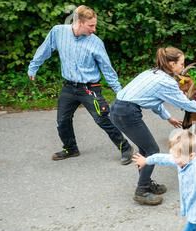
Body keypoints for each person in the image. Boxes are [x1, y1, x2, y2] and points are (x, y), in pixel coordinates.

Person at [110, 46, 196, 205]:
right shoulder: (167, 82)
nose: (183, 67)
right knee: (152, 150)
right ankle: (142, 190)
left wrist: (168, 117)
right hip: (126, 113)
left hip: (120, 108)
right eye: (181, 64)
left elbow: (152, 100)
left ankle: (145, 182)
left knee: (145, 149)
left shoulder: (152, 72)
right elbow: (185, 104)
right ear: (171, 64)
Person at [28, 5, 133, 164]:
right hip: (69, 87)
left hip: (90, 89)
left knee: (102, 119)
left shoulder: (96, 42)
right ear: (79, 22)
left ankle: (125, 147)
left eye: (95, 25)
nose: (94, 29)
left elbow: (107, 68)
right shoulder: (58, 32)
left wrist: (120, 92)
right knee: (62, 120)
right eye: (91, 25)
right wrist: (33, 67)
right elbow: (45, 49)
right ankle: (70, 148)